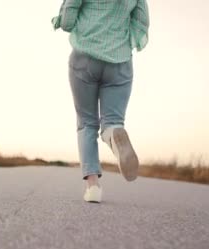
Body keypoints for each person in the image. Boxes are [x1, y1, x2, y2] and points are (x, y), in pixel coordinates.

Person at [52, 0, 150, 203]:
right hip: (120, 62)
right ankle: (114, 135)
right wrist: (122, 42)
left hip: (84, 57)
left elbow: (68, 21)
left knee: (86, 123)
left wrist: (61, 19)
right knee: (113, 122)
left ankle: (93, 187)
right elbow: (141, 23)